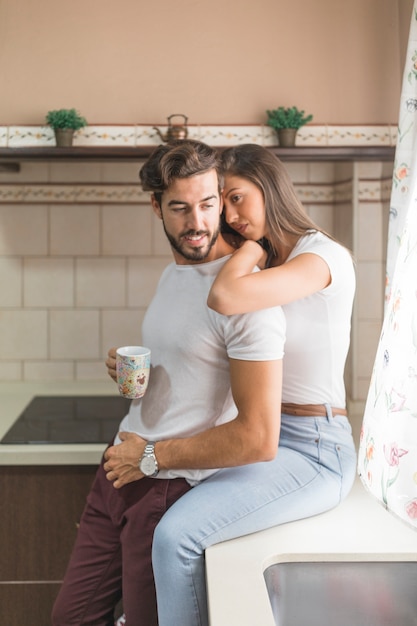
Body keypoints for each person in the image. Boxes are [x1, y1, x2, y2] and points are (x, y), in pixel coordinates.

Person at [104, 144, 357, 626]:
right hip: (276, 439)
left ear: (270, 189)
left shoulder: (321, 256)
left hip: (317, 450)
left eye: (235, 198)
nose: (230, 215)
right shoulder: (273, 260)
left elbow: (224, 296)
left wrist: (251, 248)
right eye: (225, 202)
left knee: (175, 535)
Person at [51, 139, 285, 626]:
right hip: (117, 470)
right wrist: (135, 372)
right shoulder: (174, 273)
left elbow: (259, 438)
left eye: (206, 205)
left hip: (164, 489)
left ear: (221, 199)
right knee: (71, 618)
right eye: (179, 208)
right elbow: (188, 367)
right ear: (155, 205)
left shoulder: (247, 295)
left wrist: (152, 458)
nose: (196, 223)